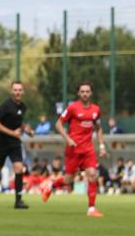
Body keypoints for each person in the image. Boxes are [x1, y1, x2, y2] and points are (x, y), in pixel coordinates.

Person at [41, 82, 107, 217]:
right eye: (82, 91)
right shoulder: (72, 108)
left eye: (87, 91)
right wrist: (68, 139)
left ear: (91, 93)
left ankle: (91, 208)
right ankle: (51, 186)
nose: (85, 94)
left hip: (88, 150)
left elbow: (98, 127)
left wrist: (101, 145)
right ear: (78, 93)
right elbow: (58, 124)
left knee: (93, 175)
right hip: (74, 150)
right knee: (67, 180)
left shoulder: (96, 110)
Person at [0, 81, 34, 209]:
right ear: (11, 91)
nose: (18, 92)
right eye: (15, 90)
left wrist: (27, 129)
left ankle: (18, 201)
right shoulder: (5, 106)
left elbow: (19, 122)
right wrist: (12, 133)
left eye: (20, 90)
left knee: (19, 168)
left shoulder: (23, 107)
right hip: (2, 143)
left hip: (14, 143)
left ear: (23, 92)